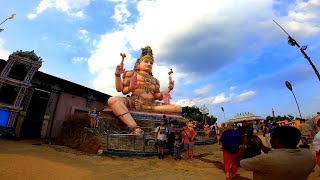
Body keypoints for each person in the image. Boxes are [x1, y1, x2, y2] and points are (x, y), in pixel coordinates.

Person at [108, 46, 182, 134]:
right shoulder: (131, 73)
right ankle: (135, 128)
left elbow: (156, 96)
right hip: (134, 101)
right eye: (146, 61)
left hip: (151, 104)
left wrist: (169, 88)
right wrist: (117, 76)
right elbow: (121, 90)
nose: (149, 64)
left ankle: (144, 107)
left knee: (178, 108)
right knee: (113, 100)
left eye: (151, 63)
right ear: (138, 64)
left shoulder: (155, 80)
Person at [236, 126, 316, 179]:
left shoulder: (265, 159)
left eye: (272, 137)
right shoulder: (309, 156)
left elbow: (238, 162)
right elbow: (280, 154)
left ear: (277, 140)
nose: (270, 140)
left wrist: (243, 145)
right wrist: (260, 145)